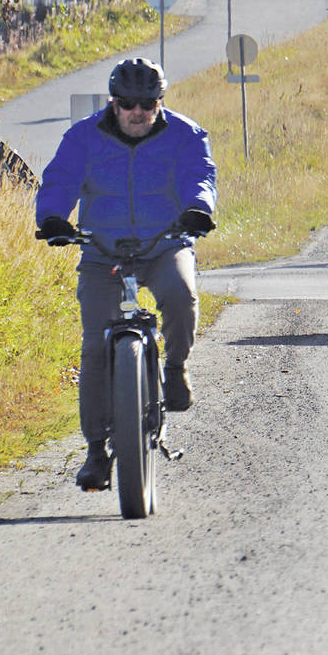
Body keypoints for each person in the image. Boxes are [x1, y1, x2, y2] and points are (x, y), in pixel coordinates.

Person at [35, 58, 218, 490]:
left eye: (147, 104)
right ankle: (97, 452)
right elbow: (59, 180)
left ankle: (175, 367)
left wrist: (199, 210)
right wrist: (54, 219)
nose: (137, 112)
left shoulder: (187, 136)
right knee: (95, 348)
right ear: (113, 103)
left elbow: (200, 178)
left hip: (164, 243)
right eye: (128, 104)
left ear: (160, 103)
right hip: (103, 251)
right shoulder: (82, 137)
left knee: (180, 295)